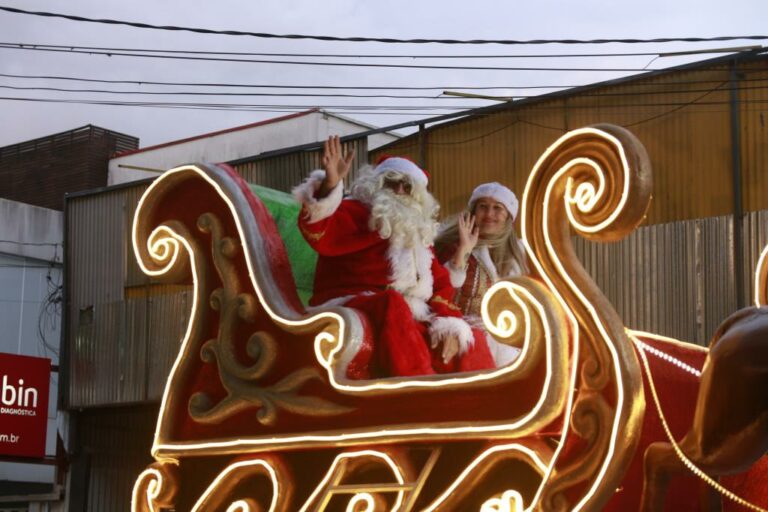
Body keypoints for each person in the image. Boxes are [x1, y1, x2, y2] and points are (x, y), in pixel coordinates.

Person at [293, 136, 496, 379]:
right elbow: (319, 229)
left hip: (409, 314)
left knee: (471, 337)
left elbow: (441, 283)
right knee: (393, 303)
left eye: (407, 186)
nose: (400, 190)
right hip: (356, 303)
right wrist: (329, 187)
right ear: (376, 185)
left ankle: (484, 400)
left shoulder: (420, 234)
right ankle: (417, 393)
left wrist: (449, 324)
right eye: (392, 183)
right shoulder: (355, 211)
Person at [435, 183, 529, 366]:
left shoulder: (519, 254)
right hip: (457, 333)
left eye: (497, 208)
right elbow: (441, 288)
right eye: (483, 207)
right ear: (473, 210)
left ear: (509, 216)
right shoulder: (447, 243)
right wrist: (462, 250)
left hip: (505, 340)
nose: (489, 215)